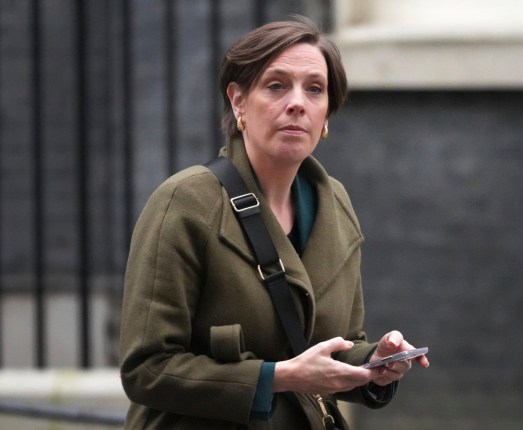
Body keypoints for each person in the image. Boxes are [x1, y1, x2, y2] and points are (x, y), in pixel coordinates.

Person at [119, 15, 429, 430]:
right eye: (276, 85)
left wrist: (373, 362)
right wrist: (280, 378)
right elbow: (146, 369)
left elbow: (335, 345)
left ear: (326, 116)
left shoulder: (334, 202)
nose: (297, 102)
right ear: (238, 101)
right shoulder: (185, 203)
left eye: (315, 89)